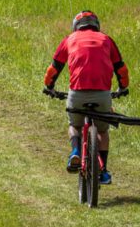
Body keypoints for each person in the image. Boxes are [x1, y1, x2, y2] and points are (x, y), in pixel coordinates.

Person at [44, 10, 129, 186]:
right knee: (103, 131)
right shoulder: (106, 39)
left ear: (76, 25)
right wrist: (122, 88)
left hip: (77, 94)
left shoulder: (69, 39)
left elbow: (54, 69)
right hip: (102, 95)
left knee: (75, 125)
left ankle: (76, 149)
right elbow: (121, 69)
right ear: (96, 25)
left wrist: (50, 87)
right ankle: (103, 170)